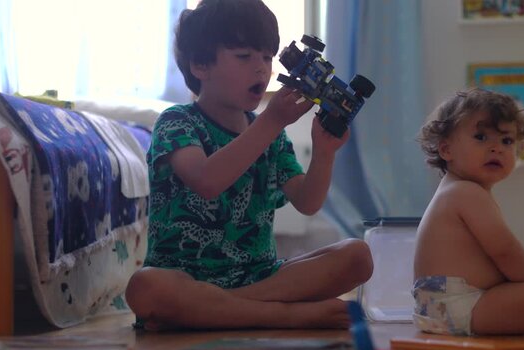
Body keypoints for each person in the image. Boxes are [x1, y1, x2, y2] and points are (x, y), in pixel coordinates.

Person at [125, 0, 373, 331]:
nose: (261, 68)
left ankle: (222, 310)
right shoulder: (177, 122)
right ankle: (284, 315)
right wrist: (271, 121)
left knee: (358, 255)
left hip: (259, 276)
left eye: (267, 57)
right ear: (201, 65)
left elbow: (308, 201)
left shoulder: (271, 134)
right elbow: (207, 181)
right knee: (146, 287)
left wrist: (324, 153)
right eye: (244, 57)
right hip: (186, 275)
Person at [412, 88, 524, 336]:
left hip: (444, 306)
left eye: (506, 141)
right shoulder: (466, 193)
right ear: (446, 150)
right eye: (481, 137)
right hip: (456, 307)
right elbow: (505, 251)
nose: (496, 148)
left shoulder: (460, 191)